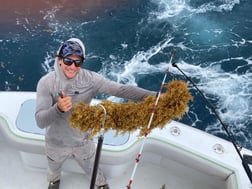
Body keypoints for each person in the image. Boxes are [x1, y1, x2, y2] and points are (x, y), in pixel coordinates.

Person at [35, 38, 156, 189]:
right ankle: (54, 181)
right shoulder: (46, 83)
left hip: (83, 141)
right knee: (54, 168)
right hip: (55, 143)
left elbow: (121, 90)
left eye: (77, 62)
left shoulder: (91, 80)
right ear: (59, 59)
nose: (72, 66)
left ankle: (100, 183)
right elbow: (40, 121)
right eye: (68, 61)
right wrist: (57, 108)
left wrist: (153, 96)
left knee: (92, 168)